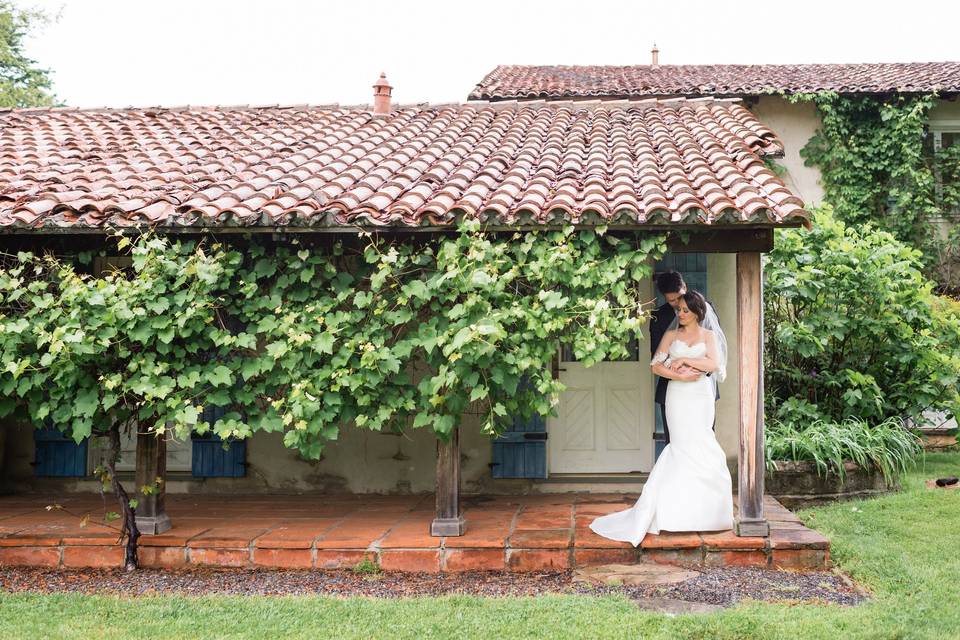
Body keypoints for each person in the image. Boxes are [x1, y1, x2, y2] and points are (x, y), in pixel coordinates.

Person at [590, 290, 733, 545]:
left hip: (700, 396)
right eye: (679, 310)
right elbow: (656, 365)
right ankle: (675, 512)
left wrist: (686, 359)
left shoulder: (708, 335)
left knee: (702, 442)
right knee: (680, 446)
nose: (681, 314)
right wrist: (678, 374)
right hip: (677, 395)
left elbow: (714, 365)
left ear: (699, 312)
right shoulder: (671, 334)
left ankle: (708, 512)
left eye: (686, 311)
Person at [650, 271, 720, 445]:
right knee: (674, 441)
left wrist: (694, 367)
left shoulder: (706, 308)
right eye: (671, 301)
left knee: (704, 441)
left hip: (702, 388)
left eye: (678, 299)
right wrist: (678, 370)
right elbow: (656, 355)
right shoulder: (658, 316)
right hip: (672, 388)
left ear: (685, 288)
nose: (676, 306)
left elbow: (714, 352)